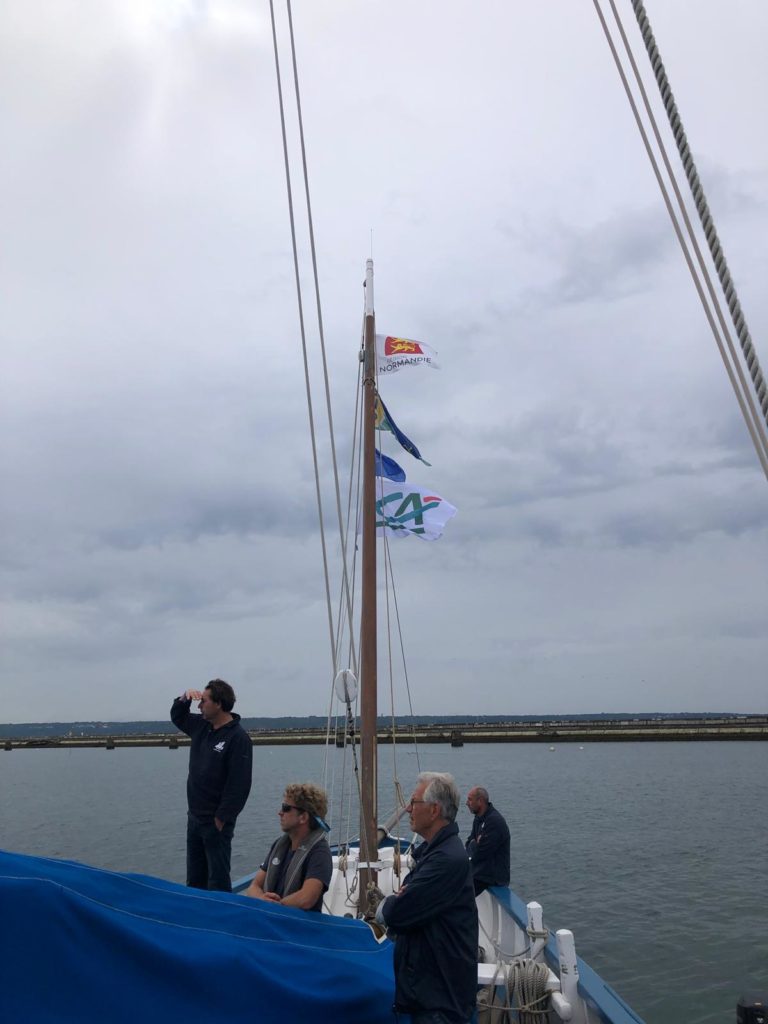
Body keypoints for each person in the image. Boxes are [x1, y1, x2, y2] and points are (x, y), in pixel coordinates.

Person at [377, 772, 478, 1024]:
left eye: (414, 802)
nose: (408, 809)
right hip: (430, 991)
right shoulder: (435, 853)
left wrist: (390, 905)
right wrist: (403, 899)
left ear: (434, 811)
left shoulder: (445, 861)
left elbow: (397, 913)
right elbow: (408, 901)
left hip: (439, 1001)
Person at [171, 679, 253, 892]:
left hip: (216, 823)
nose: (199, 706)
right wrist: (184, 698)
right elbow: (177, 716)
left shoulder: (238, 738)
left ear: (219, 704)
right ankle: (196, 912)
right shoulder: (201, 726)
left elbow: (240, 784)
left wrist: (222, 817)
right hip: (194, 818)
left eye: (204, 701)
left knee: (217, 880)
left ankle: (221, 912)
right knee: (194, 880)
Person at [245, 782, 333, 912]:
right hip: (270, 917)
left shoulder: (320, 853)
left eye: (285, 808)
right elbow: (254, 886)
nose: (280, 813)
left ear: (303, 817)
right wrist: (262, 899)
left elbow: (307, 898)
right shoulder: (279, 845)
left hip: (296, 922)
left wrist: (275, 907)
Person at [465, 786, 510, 896]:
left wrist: (474, 845)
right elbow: (469, 844)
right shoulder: (479, 818)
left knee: (457, 894)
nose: (466, 803)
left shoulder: (494, 822)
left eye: (470, 799)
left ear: (480, 801)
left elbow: (479, 854)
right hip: (480, 873)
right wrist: (474, 844)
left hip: (492, 878)